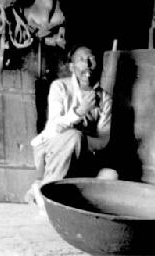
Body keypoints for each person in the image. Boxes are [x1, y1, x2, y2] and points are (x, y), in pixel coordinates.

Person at [27, 44, 118, 210]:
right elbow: (53, 130)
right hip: (51, 152)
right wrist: (80, 112)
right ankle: (48, 193)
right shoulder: (60, 87)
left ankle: (41, 190)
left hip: (83, 155)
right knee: (73, 137)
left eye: (92, 59)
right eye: (82, 60)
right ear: (72, 67)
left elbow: (103, 140)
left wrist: (81, 143)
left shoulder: (104, 98)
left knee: (111, 176)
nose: (88, 65)